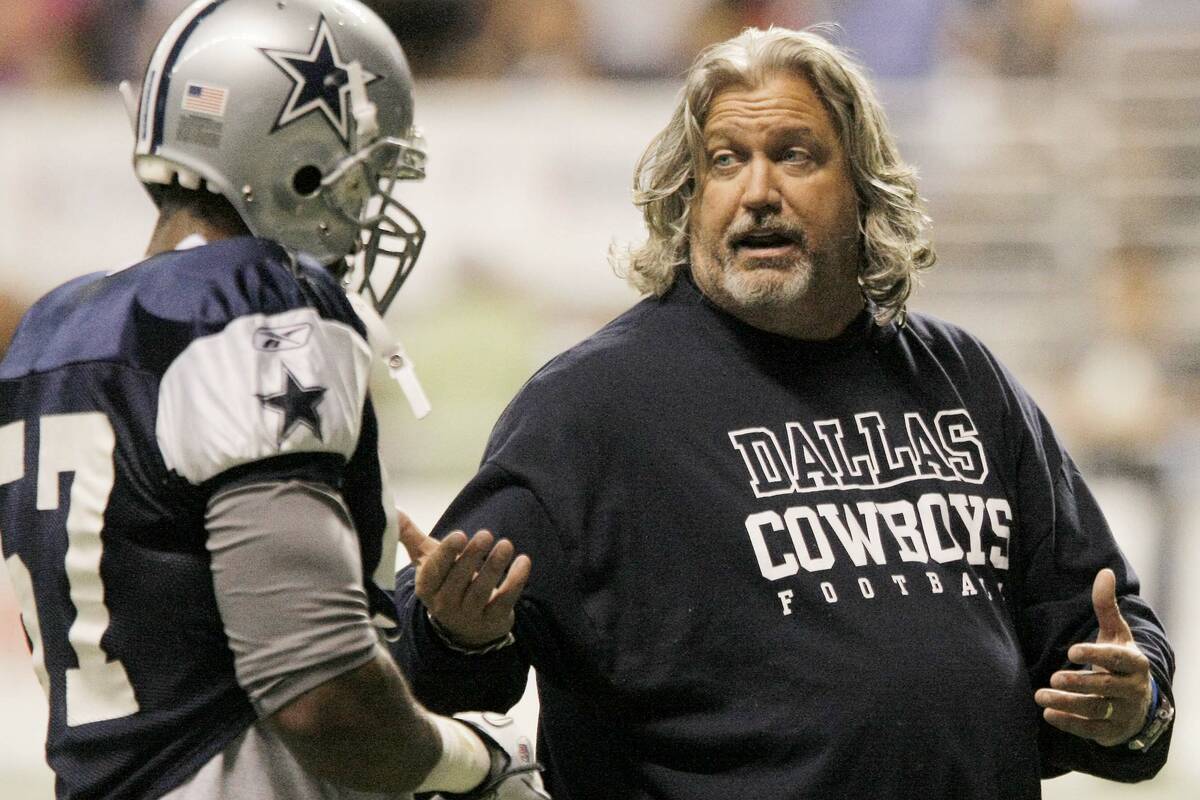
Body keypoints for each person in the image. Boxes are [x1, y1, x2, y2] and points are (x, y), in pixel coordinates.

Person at [392, 26, 1175, 800]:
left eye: (794, 154)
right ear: (688, 197)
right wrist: (456, 631)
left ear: (865, 186)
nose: (757, 192)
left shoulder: (964, 380)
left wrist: (1130, 708)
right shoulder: (589, 412)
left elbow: (1104, 628)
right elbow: (428, 660)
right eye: (725, 161)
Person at [0, 1, 550, 799]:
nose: (367, 207)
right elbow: (318, 693)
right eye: (363, 171)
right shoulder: (249, 307)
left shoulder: (53, 331)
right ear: (296, 159)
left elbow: (192, 640)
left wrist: (443, 644)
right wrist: (481, 760)